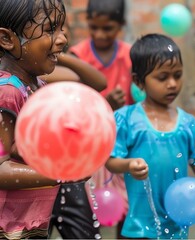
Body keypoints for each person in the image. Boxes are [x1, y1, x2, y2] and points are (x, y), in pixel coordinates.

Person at [104, 33, 195, 239]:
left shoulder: (188, 123)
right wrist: (128, 165)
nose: (172, 84)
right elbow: (111, 161)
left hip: (177, 225)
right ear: (138, 81)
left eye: (177, 75)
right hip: (137, 226)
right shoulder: (126, 118)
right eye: (162, 77)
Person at [0, 0, 69, 238]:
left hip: (31, 226)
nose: (62, 39)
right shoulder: (7, 91)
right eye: (50, 30)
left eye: (61, 29)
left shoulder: (37, 87)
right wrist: (64, 172)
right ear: (8, 39)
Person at [68, 0, 131, 236]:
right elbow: (72, 104)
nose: (99, 34)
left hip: (121, 145)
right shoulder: (78, 56)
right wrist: (106, 105)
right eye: (93, 27)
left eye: (108, 28)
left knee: (125, 206)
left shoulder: (129, 56)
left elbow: (137, 100)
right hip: (87, 145)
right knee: (87, 207)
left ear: (121, 25)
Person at [45, 54, 107, 239]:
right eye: (50, 31)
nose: (60, 37)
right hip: (28, 181)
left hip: (64, 175)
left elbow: (99, 82)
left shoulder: (44, 72)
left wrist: (59, 55)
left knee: (85, 234)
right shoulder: (12, 81)